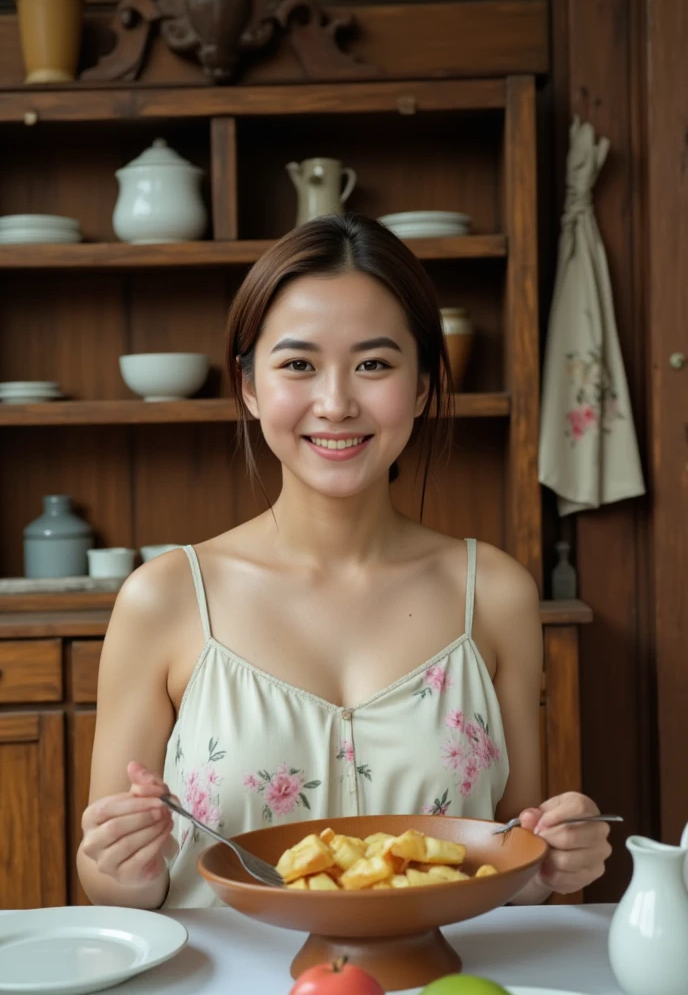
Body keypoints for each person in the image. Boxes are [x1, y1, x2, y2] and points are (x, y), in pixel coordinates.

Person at [78, 213, 611, 909]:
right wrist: (125, 865)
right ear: (249, 386)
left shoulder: (495, 594)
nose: (335, 403)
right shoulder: (166, 598)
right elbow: (105, 883)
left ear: (420, 385)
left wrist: (553, 861)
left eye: (374, 364)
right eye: (298, 364)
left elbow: (510, 859)